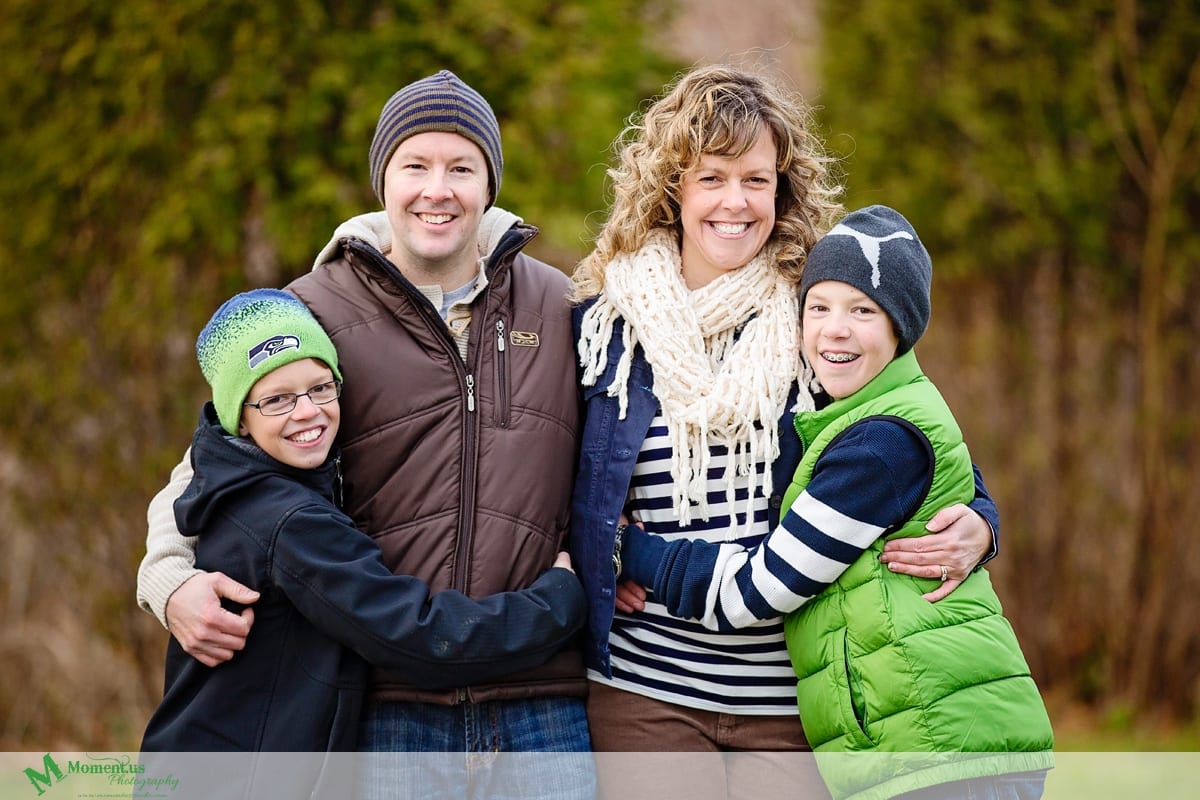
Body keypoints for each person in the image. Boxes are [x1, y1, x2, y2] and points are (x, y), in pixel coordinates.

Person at [137, 71, 591, 799]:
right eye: (415, 165)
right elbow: (208, 464)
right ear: (384, 178)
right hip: (386, 706)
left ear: (489, 182)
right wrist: (167, 582)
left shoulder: (561, 301)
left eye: (460, 167)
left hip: (543, 702)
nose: (436, 190)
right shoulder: (313, 307)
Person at [569, 65, 1001, 799]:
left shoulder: (819, 316)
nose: (735, 202)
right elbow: (538, 472)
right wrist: (588, 544)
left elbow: (908, 439)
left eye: (756, 180)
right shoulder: (604, 328)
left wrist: (983, 524)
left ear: (783, 188)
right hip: (646, 691)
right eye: (712, 178)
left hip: (791, 697)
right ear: (675, 187)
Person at [617, 205, 1055, 800]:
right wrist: (984, 520)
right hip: (921, 740)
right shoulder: (857, 412)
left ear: (902, 327)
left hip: (943, 747)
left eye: (863, 311)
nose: (835, 329)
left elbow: (756, 592)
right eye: (818, 307)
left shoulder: (876, 445)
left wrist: (623, 548)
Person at [140, 289, 585, 795]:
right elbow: (418, 638)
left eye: (320, 388)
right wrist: (557, 603)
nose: (306, 412)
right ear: (238, 416)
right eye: (277, 399)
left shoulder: (238, 483)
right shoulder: (292, 522)